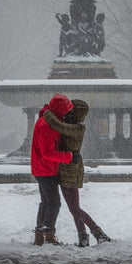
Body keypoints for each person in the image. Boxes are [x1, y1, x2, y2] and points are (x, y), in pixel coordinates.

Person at [42, 98, 112, 247]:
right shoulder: (75, 125)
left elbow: (57, 125)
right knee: (74, 205)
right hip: (69, 167)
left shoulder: (77, 128)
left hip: (70, 169)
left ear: (76, 113)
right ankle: (83, 237)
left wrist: (47, 112)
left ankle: (98, 233)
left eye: (71, 110)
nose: (68, 112)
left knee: (74, 208)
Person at [30, 93, 74, 246]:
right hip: (46, 170)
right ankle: (48, 235)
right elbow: (47, 152)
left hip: (43, 169)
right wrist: (68, 157)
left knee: (46, 202)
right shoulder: (46, 125)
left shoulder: (48, 122)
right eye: (65, 110)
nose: (67, 113)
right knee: (54, 203)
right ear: (59, 109)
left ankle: (40, 235)